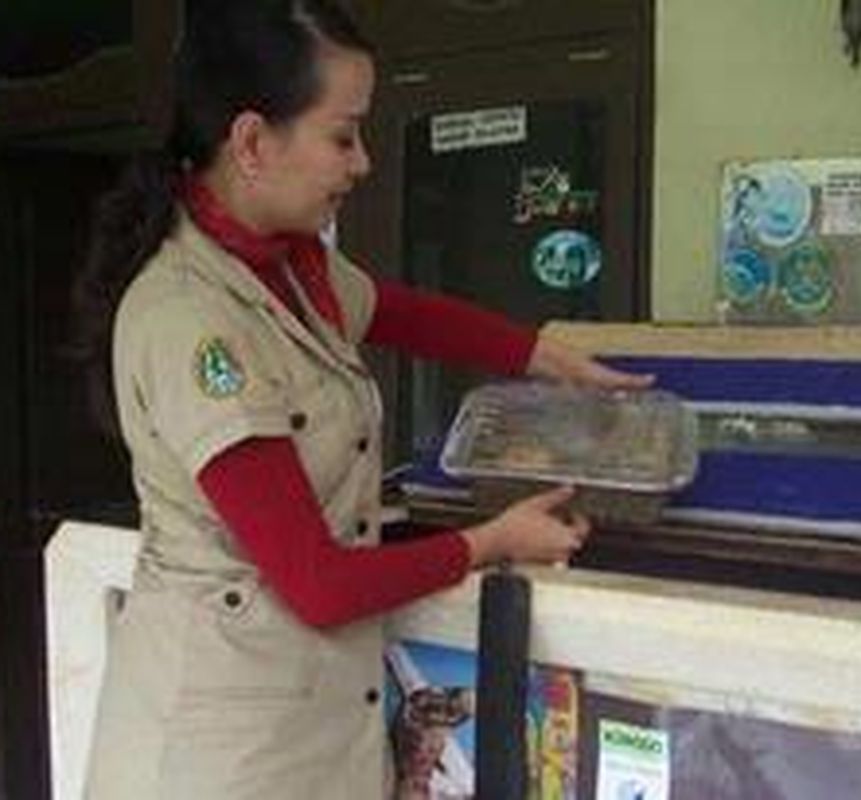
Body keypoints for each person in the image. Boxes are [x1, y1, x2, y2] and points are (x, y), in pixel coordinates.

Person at [75, 2, 650, 797]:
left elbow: (401, 311)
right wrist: (493, 540)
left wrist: (551, 357)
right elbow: (317, 582)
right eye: (342, 136)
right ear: (251, 142)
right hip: (220, 756)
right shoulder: (192, 318)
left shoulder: (285, 268)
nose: (364, 164)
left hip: (301, 733)